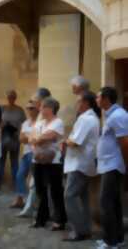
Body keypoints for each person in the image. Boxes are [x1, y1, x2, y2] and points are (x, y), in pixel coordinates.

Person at [63, 92, 100, 242]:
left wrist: (65, 140)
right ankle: (85, 229)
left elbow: (75, 142)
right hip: (84, 163)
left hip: (79, 164)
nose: (75, 104)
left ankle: (79, 230)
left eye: (78, 101)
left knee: (69, 196)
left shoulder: (86, 119)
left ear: (85, 103)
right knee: (83, 198)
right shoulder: (93, 118)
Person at [95, 87, 128, 249]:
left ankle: (110, 242)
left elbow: (124, 142)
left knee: (105, 203)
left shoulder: (117, 116)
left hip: (113, 165)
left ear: (106, 98)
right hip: (109, 164)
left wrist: (126, 163)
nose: (96, 100)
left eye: (98, 97)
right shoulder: (111, 115)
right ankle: (118, 238)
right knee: (114, 203)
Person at [30, 97, 67, 230]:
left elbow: (47, 137)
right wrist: (37, 140)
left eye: (43, 107)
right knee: (40, 190)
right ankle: (41, 218)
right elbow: (31, 138)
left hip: (53, 162)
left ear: (50, 109)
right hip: (38, 159)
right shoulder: (40, 123)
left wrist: (37, 139)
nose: (40, 109)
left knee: (56, 191)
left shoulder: (58, 122)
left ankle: (59, 220)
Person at [17, 88, 51, 217]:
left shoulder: (45, 118)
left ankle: (40, 211)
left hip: (44, 155)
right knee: (32, 182)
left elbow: (38, 137)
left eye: (34, 102)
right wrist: (31, 138)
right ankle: (32, 208)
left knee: (40, 184)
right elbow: (24, 138)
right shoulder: (29, 122)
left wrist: (31, 138)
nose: (31, 108)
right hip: (34, 153)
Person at [10, 100, 38, 208]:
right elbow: (21, 138)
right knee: (19, 175)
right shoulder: (25, 123)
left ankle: (34, 202)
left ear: (37, 109)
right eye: (28, 108)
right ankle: (20, 199)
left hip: (35, 153)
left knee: (35, 179)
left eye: (31, 108)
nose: (29, 111)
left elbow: (36, 138)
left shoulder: (40, 123)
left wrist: (29, 138)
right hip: (26, 153)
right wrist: (30, 138)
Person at [0, 90, 26, 190]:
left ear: (15, 98)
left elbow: (24, 124)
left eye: (12, 97)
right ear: (7, 97)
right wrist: (3, 126)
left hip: (14, 138)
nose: (11, 99)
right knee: (2, 162)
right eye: (10, 97)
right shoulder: (2, 108)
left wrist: (19, 133)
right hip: (4, 137)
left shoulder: (19, 110)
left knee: (13, 163)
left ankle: (14, 184)